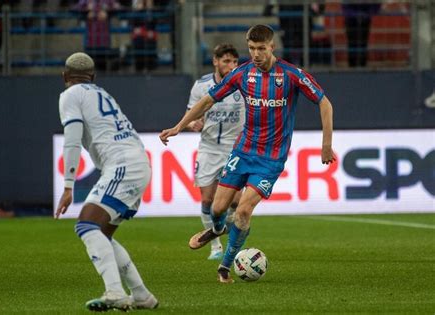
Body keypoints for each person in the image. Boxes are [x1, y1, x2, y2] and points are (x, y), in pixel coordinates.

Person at [160, 25, 336, 283]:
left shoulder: (291, 74)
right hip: (242, 152)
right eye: (251, 48)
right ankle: (217, 229)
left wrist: (326, 144)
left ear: (271, 47)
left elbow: (324, 102)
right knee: (217, 208)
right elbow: (208, 100)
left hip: (271, 159)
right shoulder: (242, 74)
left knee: (242, 212)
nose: (255, 54)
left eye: (261, 48)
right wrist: (178, 126)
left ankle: (225, 266)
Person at [55, 52, 158, 311]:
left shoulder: (69, 95)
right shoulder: (102, 93)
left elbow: (72, 139)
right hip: (137, 161)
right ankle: (141, 295)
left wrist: (68, 185)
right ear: (93, 77)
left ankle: (114, 292)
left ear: (64, 76)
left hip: (122, 165)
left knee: (86, 225)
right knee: (102, 233)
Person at [184, 43, 245, 260]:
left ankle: (231, 245)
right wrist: (193, 125)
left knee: (237, 202)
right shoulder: (201, 86)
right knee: (208, 200)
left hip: (235, 150)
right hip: (209, 149)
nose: (231, 65)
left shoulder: (243, 84)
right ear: (215, 62)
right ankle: (216, 246)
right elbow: (191, 115)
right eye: (227, 61)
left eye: (235, 61)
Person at [74, 0, 120, 72]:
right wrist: (86, 12)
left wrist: (107, 12)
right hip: (89, 43)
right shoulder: (85, 1)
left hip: (104, 43)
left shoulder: (108, 1)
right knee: (88, 72)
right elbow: (74, 9)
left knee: (102, 71)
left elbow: (119, 8)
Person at [342, 2, 381, 67]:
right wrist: (359, 15)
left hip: (363, 20)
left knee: (362, 43)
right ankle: (353, 65)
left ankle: (361, 65)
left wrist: (367, 14)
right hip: (352, 20)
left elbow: (377, 5)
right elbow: (345, 7)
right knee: (353, 43)